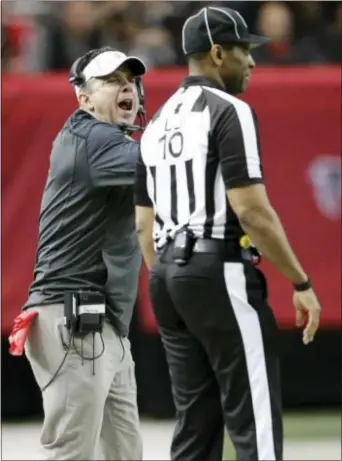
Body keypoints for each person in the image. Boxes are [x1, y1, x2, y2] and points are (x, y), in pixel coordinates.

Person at [134, 6, 321, 461]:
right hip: (216, 267)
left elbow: (143, 223)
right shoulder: (229, 110)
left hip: (166, 277)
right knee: (253, 421)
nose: (252, 62)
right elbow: (252, 211)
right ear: (218, 54)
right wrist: (301, 283)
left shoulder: (154, 123)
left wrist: (174, 277)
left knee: (195, 428)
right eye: (243, 51)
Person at [22, 47, 146, 460]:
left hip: (99, 322)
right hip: (72, 320)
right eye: (112, 81)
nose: (126, 86)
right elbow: (158, 162)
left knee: (123, 454)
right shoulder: (95, 137)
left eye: (131, 80)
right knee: (71, 454)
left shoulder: (105, 141)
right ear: (84, 98)